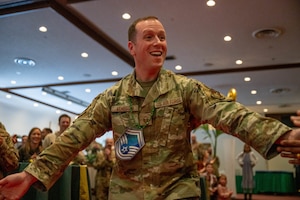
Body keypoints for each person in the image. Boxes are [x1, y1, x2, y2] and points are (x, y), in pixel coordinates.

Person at [0, 16, 300, 200]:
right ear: (132, 48)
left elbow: (227, 112)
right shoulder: (113, 97)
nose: (159, 42)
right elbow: (73, 137)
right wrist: (31, 174)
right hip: (127, 194)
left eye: (162, 37)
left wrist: (279, 135)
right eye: (150, 36)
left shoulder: (185, 89)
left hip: (177, 192)